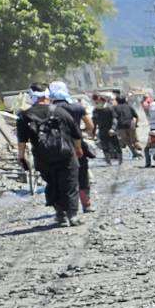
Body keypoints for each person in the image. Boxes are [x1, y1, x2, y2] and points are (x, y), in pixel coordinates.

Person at [15, 87, 83, 226]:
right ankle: (72, 216)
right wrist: (78, 149)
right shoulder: (60, 111)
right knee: (70, 184)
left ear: (31, 97)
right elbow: (76, 133)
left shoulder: (24, 116)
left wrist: (21, 156)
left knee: (53, 183)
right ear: (47, 96)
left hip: (42, 157)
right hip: (66, 154)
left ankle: (60, 215)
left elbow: (22, 140)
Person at [49, 82, 93, 214]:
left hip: (55, 147)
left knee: (59, 176)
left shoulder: (48, 110)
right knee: (82, 173)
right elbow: (90, 126)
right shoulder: (77, 107)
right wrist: (81, 132)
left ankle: (62, 208)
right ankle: (86, 204)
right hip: (77, 145)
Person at [91, 94, 120, 165]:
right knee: (105, 147)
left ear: (103, 101)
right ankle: (108, 161)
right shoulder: (95, 110)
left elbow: (115, 119)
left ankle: (119, 160)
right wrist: (93, 132)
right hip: (102, 131)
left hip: (111, 131)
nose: (97, 103)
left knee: (116, 145)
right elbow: (94, 123)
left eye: (99, 101)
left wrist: (113, 128)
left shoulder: (109, 108)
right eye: (96, 102)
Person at [112, 94, 139, 161]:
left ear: (117, 101)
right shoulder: (129, 106)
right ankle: (137, 151)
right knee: (134, 140)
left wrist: (113, 128)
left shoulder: (115, 108)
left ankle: (134, 152)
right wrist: (136, 124)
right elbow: (136, 116)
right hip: (131, 125)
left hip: (121, 126)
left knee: (127, 141)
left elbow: (114, 118)